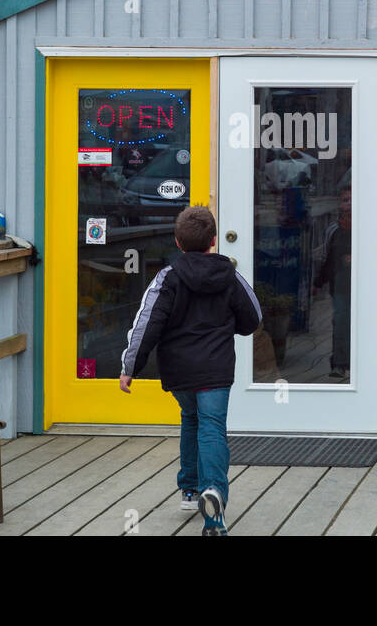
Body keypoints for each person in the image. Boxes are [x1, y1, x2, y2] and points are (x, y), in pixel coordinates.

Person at [119, 206, 262, 535]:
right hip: (216, 369)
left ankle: (190, 489)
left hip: (180, 371)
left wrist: (131, 367)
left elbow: (147, 325)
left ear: (177, 242)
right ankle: (213, 494)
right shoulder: (229, 276)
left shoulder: (168, 277)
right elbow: (252, 317)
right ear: (213, 240)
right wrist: (229, 326)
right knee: (211, 426)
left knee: (190, 418)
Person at [317, 186, 352, 378]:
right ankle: (339, 363)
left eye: (352, 200)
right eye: (345, 200)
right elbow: (326, 258)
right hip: (339, 284)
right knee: (340, 322)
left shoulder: (367, 227)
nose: (348, 205)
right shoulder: (333, 229)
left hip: (363, 285)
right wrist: (318, 282)